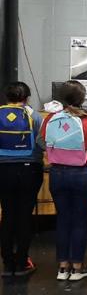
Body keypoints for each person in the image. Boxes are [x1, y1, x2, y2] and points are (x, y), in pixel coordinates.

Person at [38, 80, 87, 281]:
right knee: (79, 221)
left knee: (62, 219)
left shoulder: (51, 118)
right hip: (83, 174)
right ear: (82, 99)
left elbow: (42, 142)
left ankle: (62, 267)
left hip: (57, 174)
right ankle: (77, 268)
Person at [0, 82, 44, 277]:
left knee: (8, 215)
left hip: (3, 170)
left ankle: (7, 263)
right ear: (26, 98)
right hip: (29, 169)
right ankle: (22, 261)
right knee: (24, 216)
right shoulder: (34, 116)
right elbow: (42, 143)